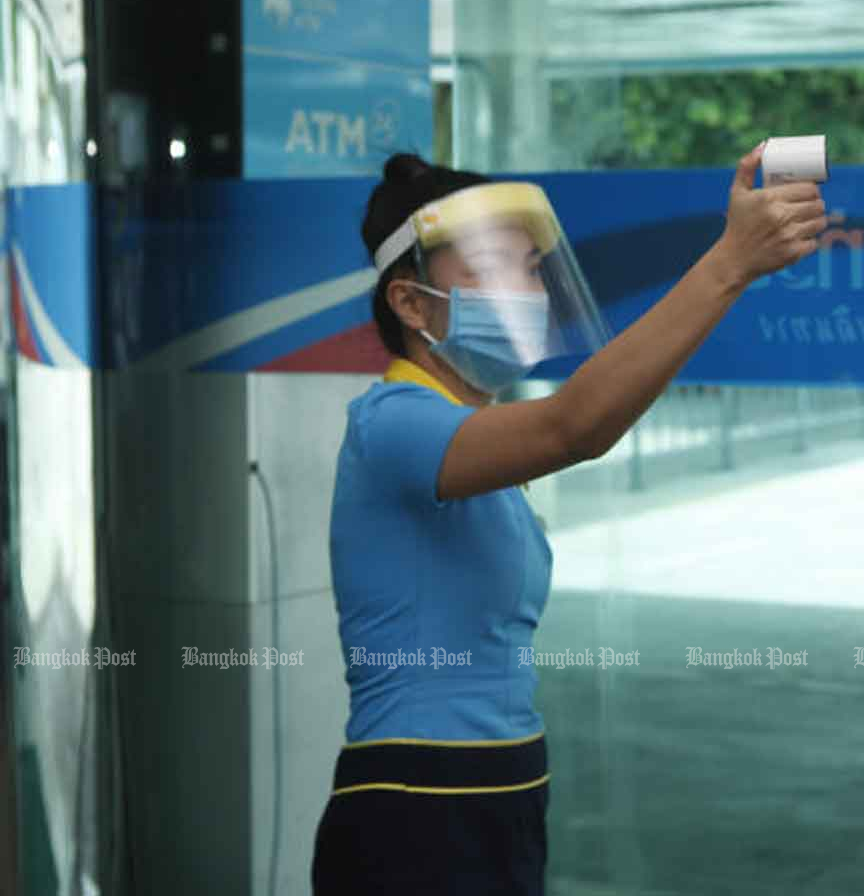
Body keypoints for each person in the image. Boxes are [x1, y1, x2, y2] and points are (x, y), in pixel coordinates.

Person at [311, 145, 825, 895]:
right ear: (412, 304)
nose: (523, 288)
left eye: (527, 267)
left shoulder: (474, 440)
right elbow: (575, 427)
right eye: (492, 266)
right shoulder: (391, 422)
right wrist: (729, 264)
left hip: (503, 790)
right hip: (416, 803)